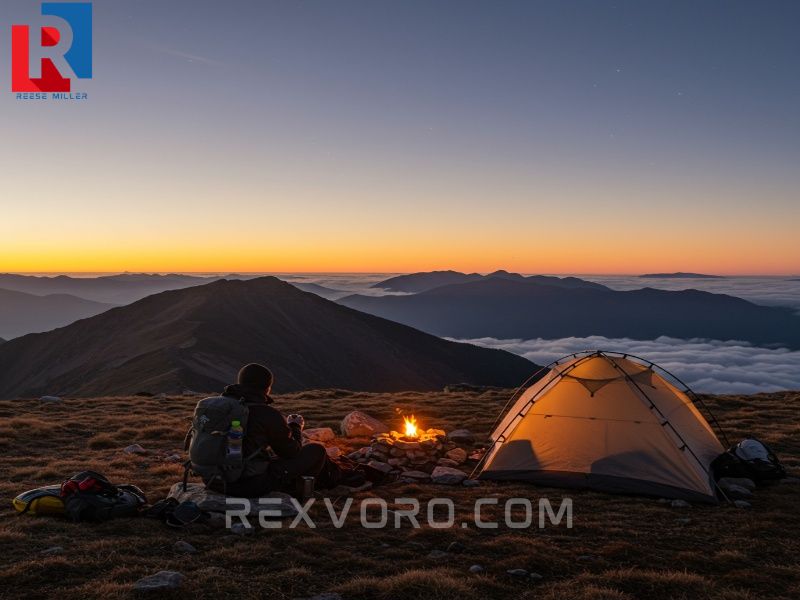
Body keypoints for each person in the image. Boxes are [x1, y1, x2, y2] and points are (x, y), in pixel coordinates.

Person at [210, 363, 355, 497]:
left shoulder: (220, 407)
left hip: (214, 481)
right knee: (317, 451)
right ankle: (298, 490)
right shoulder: (265, 412)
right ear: (267, 388)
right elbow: (291, 452)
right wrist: (295, 427)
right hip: (249, 485)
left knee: (269, 458)